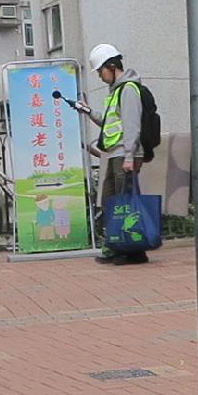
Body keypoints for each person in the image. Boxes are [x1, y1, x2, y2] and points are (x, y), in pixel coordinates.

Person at [84, 47, 162, 253]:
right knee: (112, 201)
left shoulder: (128, 89)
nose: (100, 77)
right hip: (114, 154)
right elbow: (110, 121)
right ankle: (118, 244)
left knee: (126, 202)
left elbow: (132, 125)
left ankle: (133, 249)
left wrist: (129, 156)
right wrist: (88, 111)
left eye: (101, 71)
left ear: (111, 66)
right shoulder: (116, 92)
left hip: (125, 155)